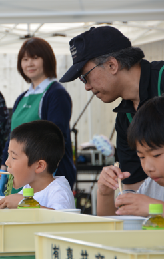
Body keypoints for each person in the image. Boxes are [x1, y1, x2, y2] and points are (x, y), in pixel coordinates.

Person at [60, 26, 164, 192]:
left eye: (85, 77)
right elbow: (133, 187)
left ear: (111, 65)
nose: (86, 87)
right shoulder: (124, 119)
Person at [0, 37, 76, 192]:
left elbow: (55, 138)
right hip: (20, 173)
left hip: (44, 175)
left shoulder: (56, 94)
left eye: (35, 58)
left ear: (47, 60)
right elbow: (12, 136)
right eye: (25, 59)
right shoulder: (22, 98)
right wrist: (4, 164)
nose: (29, 64)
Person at [0, 120, 75, 209]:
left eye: (13, 157)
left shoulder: (59, 191)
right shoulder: (29, 187)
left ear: (39, 166)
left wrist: (24, 203)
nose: (7, 162)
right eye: (8, 155)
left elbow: (61, 220)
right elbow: (1, 216)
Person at [97, 96, 164, 217]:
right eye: (141, 157)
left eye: (156, 155)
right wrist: (105, 194)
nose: (148, 167)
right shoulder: (150, 187)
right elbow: (116, 229)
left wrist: (155, 207)